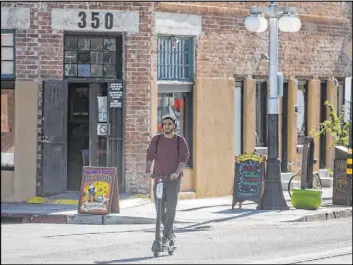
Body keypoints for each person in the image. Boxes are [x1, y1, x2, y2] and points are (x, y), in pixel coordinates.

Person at [145, 116, 190, 246]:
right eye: (164, 124)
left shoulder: (179, 141)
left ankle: (165, 237)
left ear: (174, 125)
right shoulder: (157, 139)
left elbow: (184, 158)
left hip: (172, 181)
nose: (167, 126)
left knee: (170, 209)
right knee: (159, 210)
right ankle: (170, 233)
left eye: (169, 124)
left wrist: (176, 173)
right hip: (159, 179)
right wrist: (148, 172)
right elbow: (149, 156)